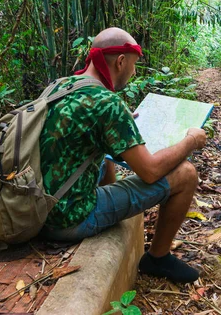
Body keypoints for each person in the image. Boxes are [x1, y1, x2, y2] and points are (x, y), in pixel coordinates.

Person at [38, 27, 207, 283]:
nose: (134, 72)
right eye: (134, 65)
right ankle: (158, 258)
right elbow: (149, 172)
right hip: (68, 220)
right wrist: (190, 141)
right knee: (186, 174)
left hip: (38, 206)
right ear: (121, 61)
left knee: (104, 160)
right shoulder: (107, 104)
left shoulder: (61, 86)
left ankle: (110, 203)